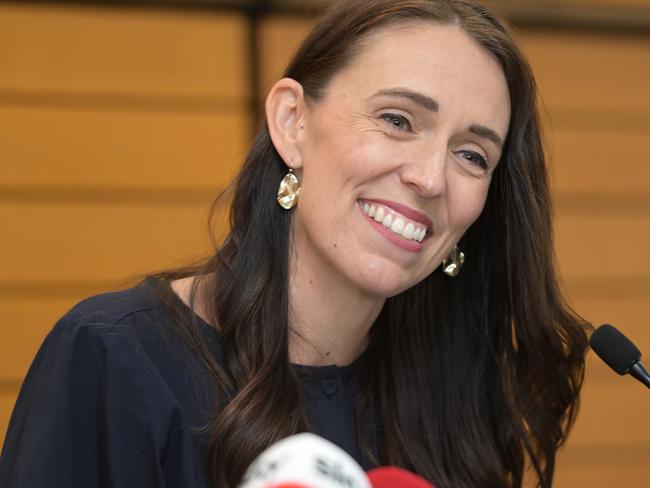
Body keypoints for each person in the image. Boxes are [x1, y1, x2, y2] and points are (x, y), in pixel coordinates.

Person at [0, 1, 591, 487]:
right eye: (398, 120)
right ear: (292, 122)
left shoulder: (462, 398)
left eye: (472, 155)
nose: (431, 178)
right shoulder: (116, 357)